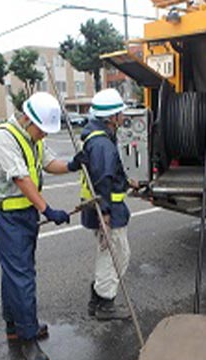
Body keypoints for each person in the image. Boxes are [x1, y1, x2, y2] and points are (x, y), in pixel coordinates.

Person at [0, 91, 82, 360]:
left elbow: (50, 164)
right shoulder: (3, 138)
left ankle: (14, 324)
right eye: (41, 130)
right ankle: (28, 339)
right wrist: (47, 209)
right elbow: (21, 178)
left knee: (14, 272)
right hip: (7, 218)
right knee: (22, 275)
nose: (43, 136)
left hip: (23, 214)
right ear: (27, 119)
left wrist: (74, 163)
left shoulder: (32, 137)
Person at [73, 88, 137, 321]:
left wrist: (126, 181)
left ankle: (98, 299)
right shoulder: (102, 144)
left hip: (103, 207)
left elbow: (105, 172)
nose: (123, 117)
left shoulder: (97, 137)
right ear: (111, 118)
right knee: (116, 254)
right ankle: (105, 304)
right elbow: (101, 179)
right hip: (107, 209)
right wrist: (106, 213)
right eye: (120, 113)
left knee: (110, 253)